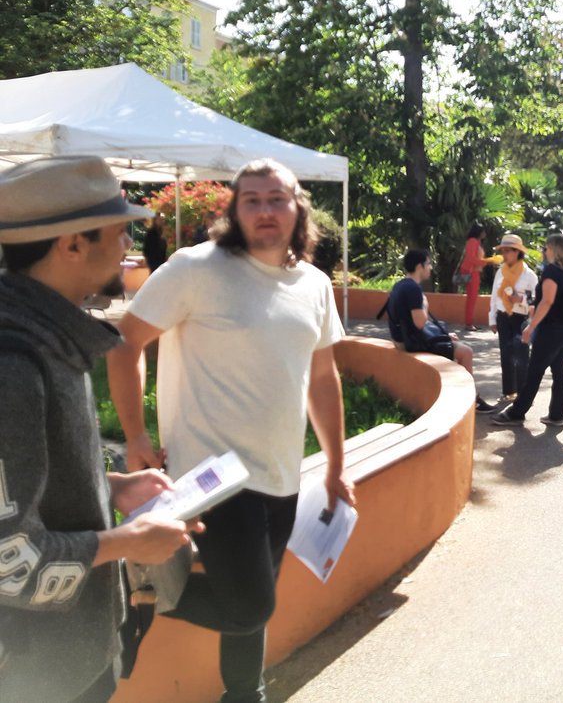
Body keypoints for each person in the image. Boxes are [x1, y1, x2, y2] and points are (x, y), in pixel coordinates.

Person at [108, 158, 356, 703]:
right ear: (234, 210)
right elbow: (126, 343)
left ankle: (245, 694)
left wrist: (336, 466)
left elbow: (322, 377)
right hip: (211, 474)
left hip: (281, 474)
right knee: (251, 606)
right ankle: (142, 588)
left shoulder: (313, 284)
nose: (266, 210)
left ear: (299, 210)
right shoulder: (195, 268)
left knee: (252, 604)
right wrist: (136, 436)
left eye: (278, 199)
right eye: (253, 200)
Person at [0, 156, 194, 703]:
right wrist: (127, 542)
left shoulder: (49, 334)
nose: (129, 243)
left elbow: (24, 483)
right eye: (119, 229)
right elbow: (9, 560)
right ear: (72, 244)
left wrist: (110, 485)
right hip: (35, 674)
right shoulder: (14, 363)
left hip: (68, 654)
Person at [491, 233, 563, 428]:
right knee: (559, 370)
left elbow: (548, 301)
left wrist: (531, 327)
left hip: (553, 329)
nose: (542, 252)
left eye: (545, 248)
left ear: (553, 250)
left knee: (535, 370)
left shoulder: (552, 271)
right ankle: (557, 415)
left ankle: (517, 412)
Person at [386, 249, 493, 412]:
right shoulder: (413, 289)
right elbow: (420, 322)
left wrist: (443, 336)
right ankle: (472, 401)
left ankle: (460, 395)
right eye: (428, 264)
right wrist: (425, 304)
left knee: (452, 342)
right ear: (419, 266)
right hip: (413, 344)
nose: (430, 268)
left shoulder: (400, 285)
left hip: (403, 340)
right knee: (466, 352)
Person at [488, 234, 538, 406]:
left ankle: (524, 395)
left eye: (508, 251)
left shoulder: (529, 275)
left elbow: (534, 301)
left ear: (517, 252)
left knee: (522, 356)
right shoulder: (500, 273)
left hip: (521, 317)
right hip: (503, 317)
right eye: (503, 251)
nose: (505, 254)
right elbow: (495, 296)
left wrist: (520, 300)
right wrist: (492, 318)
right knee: (506, 354)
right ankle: (508, 391)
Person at [458, 223, 501, 331]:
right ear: (479, 232)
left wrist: (488, 261)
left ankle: (469, 322)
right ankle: (468, 323)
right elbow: (472, 259)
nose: (484, 234)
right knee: (471, 298)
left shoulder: (475, 242)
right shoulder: (473, 241)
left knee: (472, 298)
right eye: (483, 231)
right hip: (471, 272)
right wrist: (488, 261)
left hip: (473, 271)